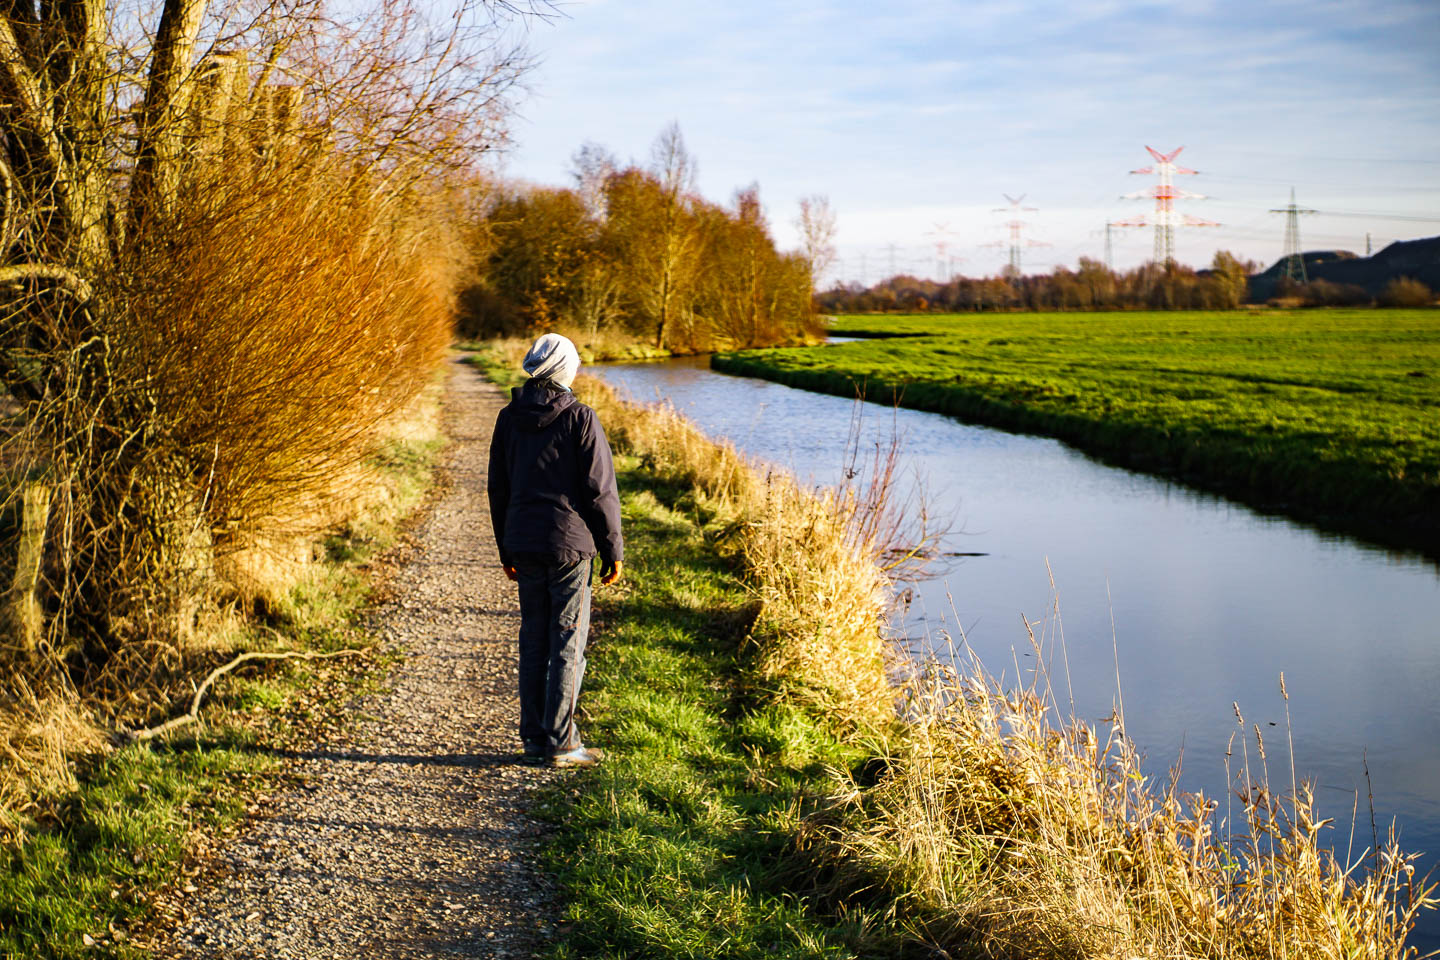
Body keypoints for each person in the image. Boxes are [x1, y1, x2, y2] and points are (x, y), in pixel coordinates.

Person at [487, 333, 623, 768]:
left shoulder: (508, 418)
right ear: (565, 369)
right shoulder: (581, 418)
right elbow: (600, 491)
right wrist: (612, 548)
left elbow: (498, 489)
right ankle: (562, 743)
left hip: (524, 545)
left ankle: (533, 737)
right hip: (570, 548)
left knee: (533, 639)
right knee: (567, 640)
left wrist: (505, 546)